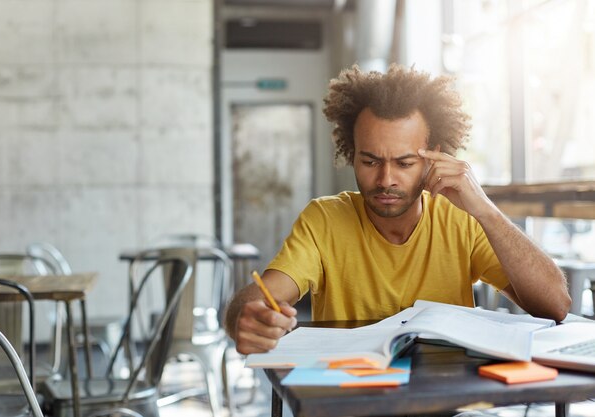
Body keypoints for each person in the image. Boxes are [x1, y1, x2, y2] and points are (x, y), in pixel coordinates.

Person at [224, 64, 571, 355]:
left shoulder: (461, 219)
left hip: (446, 399)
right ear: (351, 153)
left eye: (405, 162)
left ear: (435, 155)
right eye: (370, 160)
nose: (385, 179)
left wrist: (486, 210)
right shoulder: (324, 220)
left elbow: (555, 305)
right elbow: (259, 297)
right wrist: (248, 318)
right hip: (351, 399)